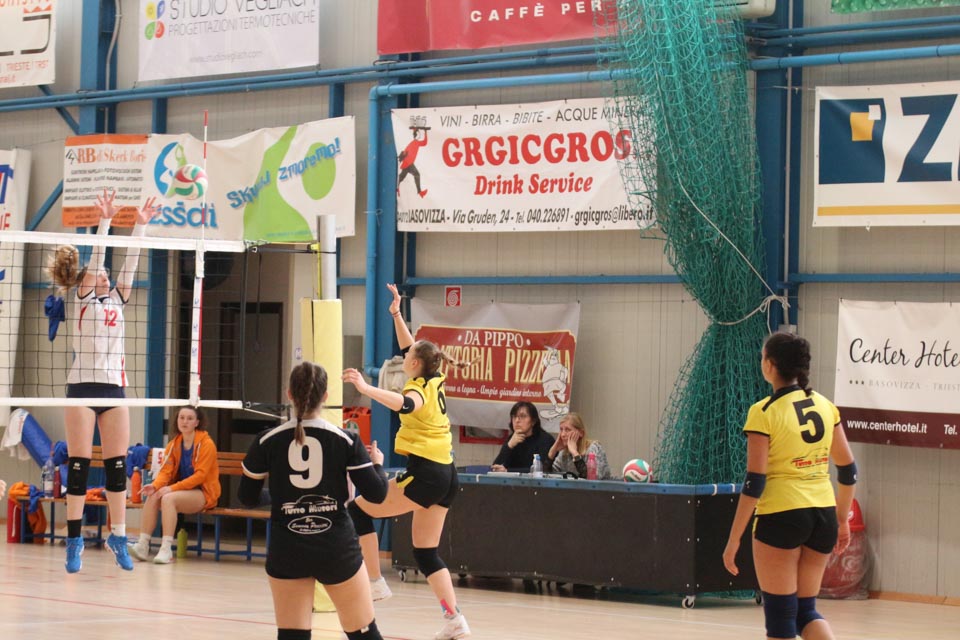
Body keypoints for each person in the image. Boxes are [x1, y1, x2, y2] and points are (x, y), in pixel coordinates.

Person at [342, 283, 471, 640]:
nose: (404, 356)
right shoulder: (435, 376)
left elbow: (405, 404)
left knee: (358, 510)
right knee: (425, 552)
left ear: (414, 365)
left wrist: (366, 389)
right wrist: (397, 313)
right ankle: (455, 620)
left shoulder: (415, 389)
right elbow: (409, 347)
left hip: (426, 474)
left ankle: (375, 581)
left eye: (407, 357)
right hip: (447, 475)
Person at [46, 189, 159, 573]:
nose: (106, 275)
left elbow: (130, 264)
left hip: (114, 389)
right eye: (100, 274)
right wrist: (106, 220)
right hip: (81, 389)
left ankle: (118, 536)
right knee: (79, 465)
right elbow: (98, 259)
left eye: (107, 275)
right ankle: (74, 540)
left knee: (116, 467)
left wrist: (140, 227)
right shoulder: (83, 298)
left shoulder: (116, 300)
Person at [240, 362, 389, 640]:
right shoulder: (346, 440)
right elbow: (377, 494)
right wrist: (377, 465)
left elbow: (247, 498)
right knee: (364, 634)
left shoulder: (266, 441)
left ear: (289, 394)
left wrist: (285, 498)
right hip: (336, 548)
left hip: (288, 549)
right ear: (326, 396)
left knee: (292, 636)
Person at [723, 332, 858, 640]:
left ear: (769, 365)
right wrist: (841, 519)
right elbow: (849, 470)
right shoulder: (825, 406)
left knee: (781, 620)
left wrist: (733, 539)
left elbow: (755, 482)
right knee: (805, 613)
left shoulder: (764, 412)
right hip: (822, 514)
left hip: (781, 515)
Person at [130, 406, 221, 564]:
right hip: (180, 492)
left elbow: (200, 476)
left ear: (197, 423)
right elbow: (165, 472)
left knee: (168, 498)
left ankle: (166, 549)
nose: (185, 421)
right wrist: (155, 486)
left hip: (203, 493)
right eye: (181, 417)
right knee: (154, 495)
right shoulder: (174, 444)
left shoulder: (207, 444)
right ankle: (143, 545)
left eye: (190, 418)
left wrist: (171, 488)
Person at [490, 401, 554, 472]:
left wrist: (508, 471)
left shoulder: (546, 440)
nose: (517, 420)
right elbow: (495, 467)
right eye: (514, 416)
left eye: (523, 416)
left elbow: (540, 469)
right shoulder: (512, 439)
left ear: (533, 421)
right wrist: (509, 446)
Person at [547, 412, 612, 480]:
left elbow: (592, 479)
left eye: (567, 430)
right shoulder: (564, 452)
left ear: (581, 433)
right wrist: (551, 453)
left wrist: (575, 453)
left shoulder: (594, 448)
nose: (563, 434)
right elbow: (548, 476)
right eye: (561, 429)